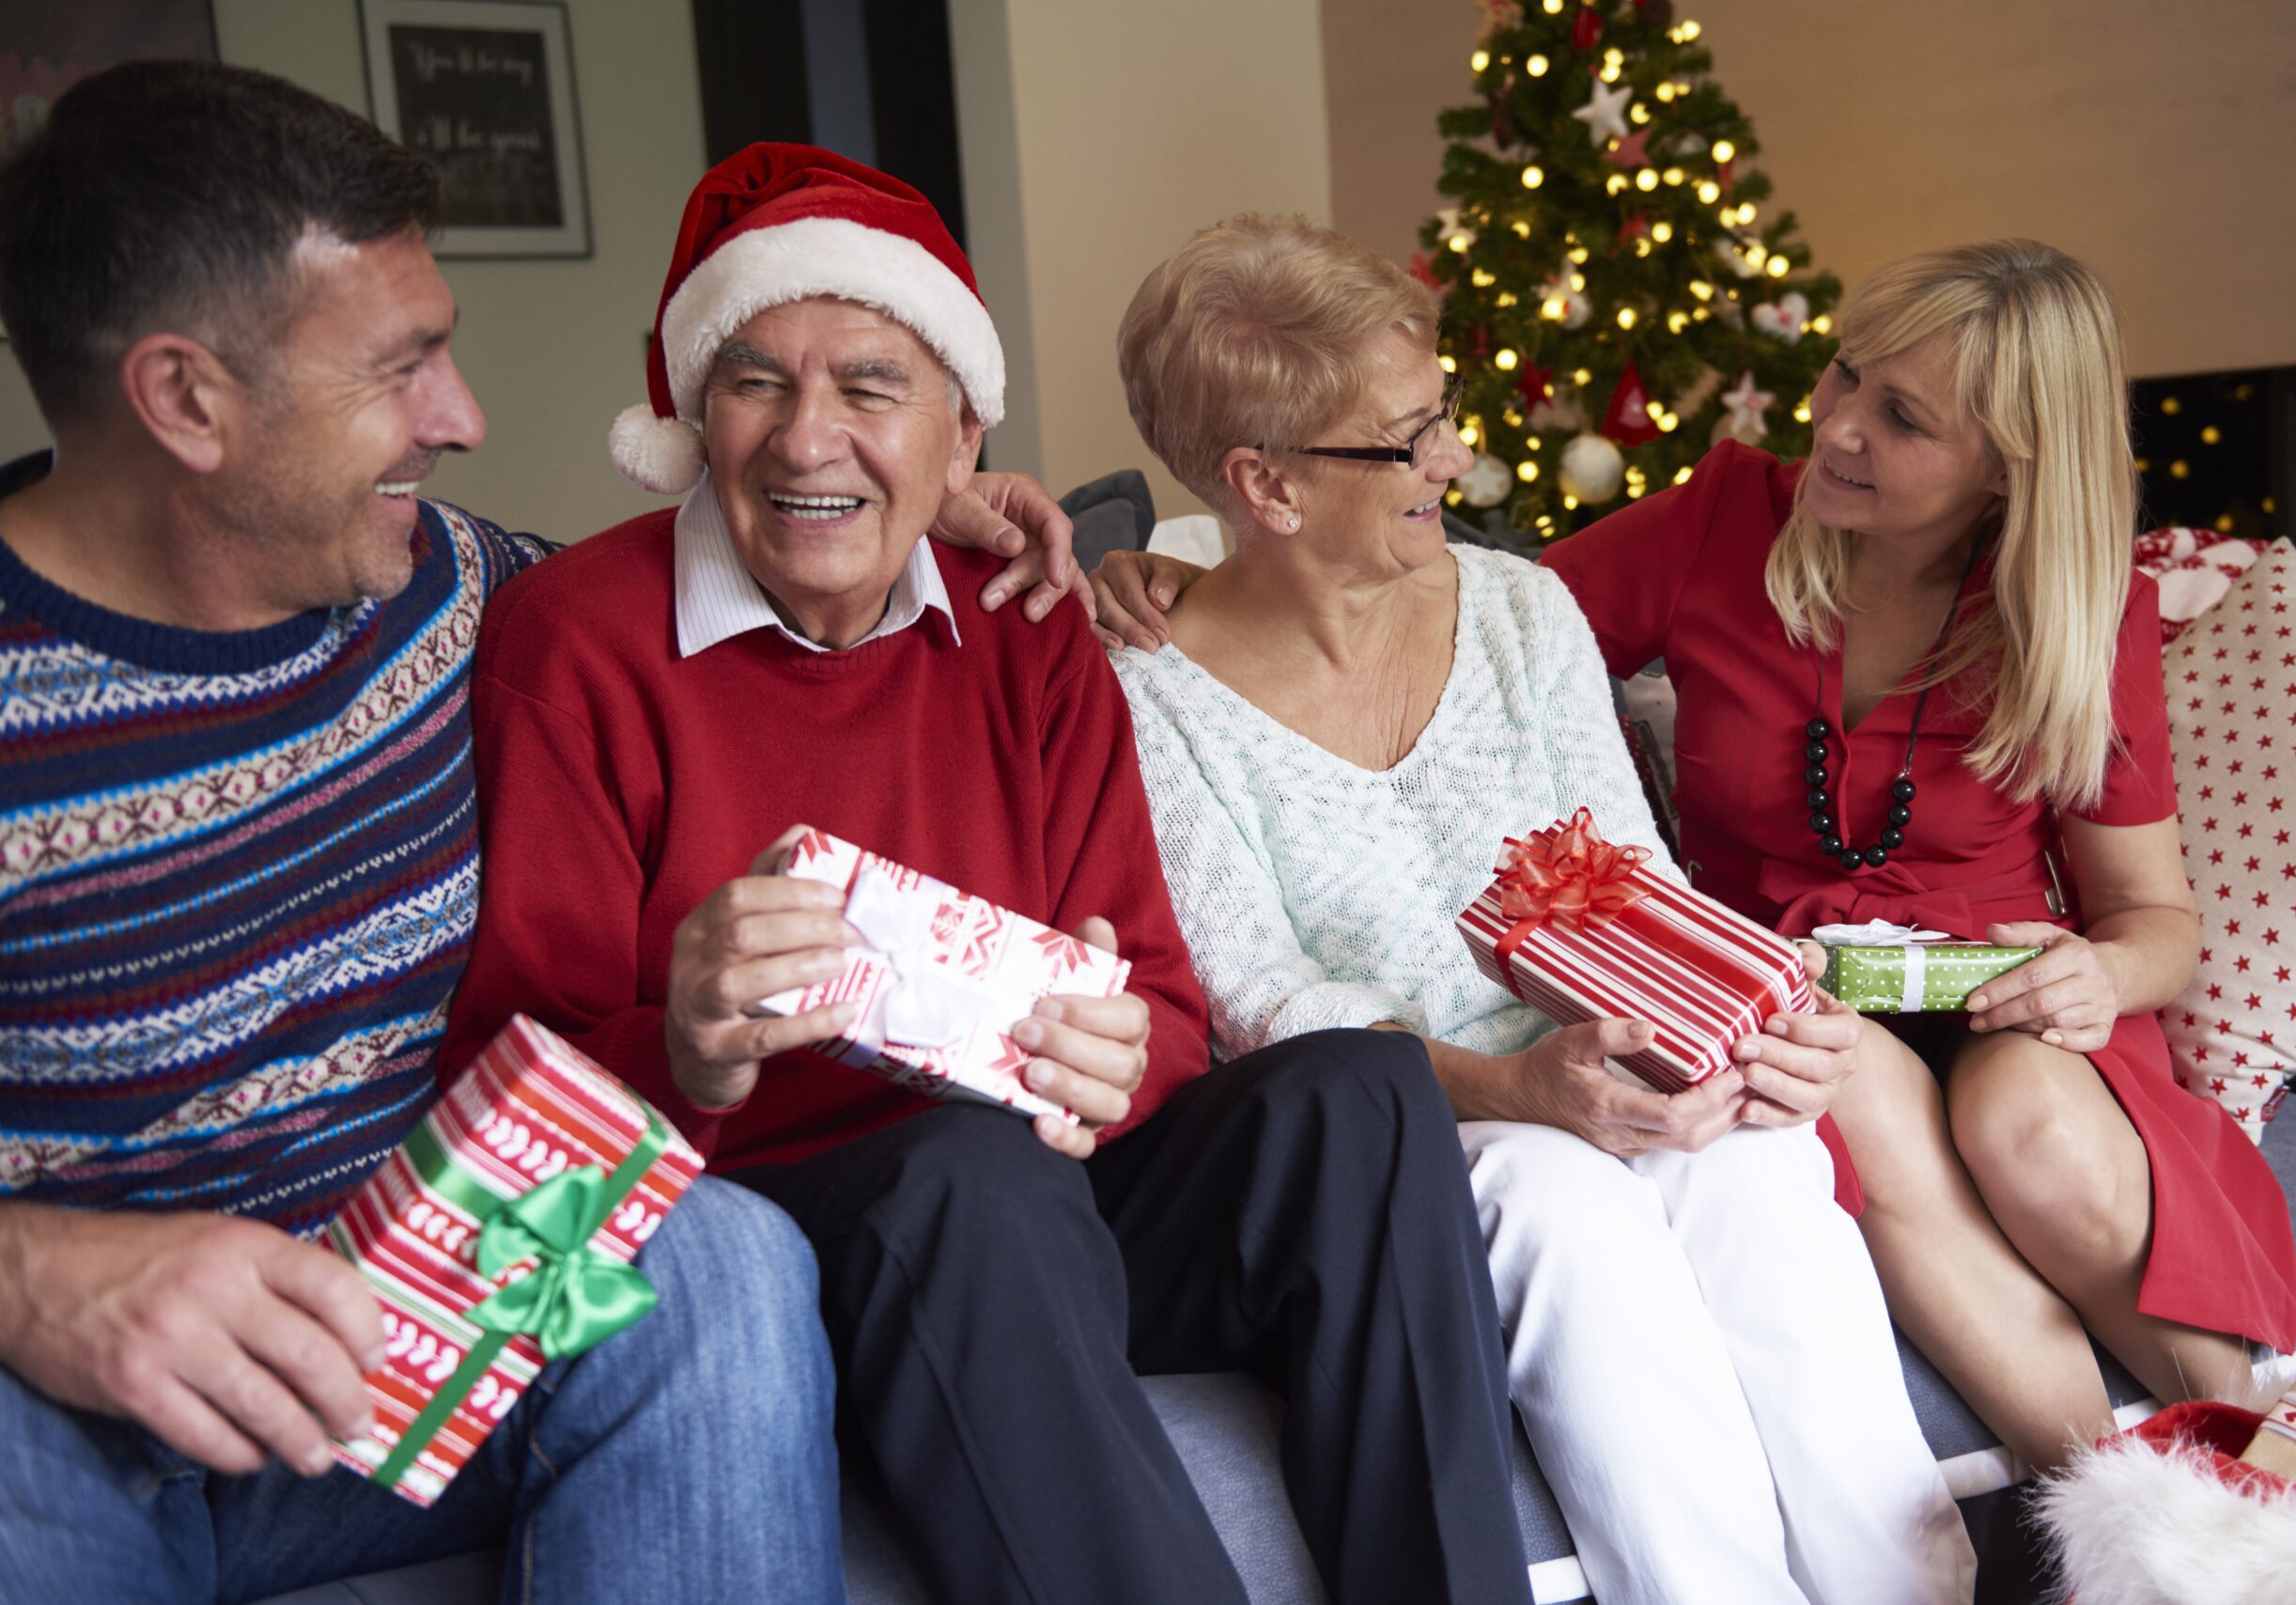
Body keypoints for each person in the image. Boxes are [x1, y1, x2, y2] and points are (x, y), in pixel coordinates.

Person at [441, 147, 1536, 1605]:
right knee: (967, 1175)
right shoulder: (574, 642)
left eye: (871, 388)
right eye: (756, 382)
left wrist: (1120, 1058)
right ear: (696, 417)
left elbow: (1161, 1006)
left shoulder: (1024, 623)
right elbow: (509, 1106)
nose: (806, 440)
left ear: (963, 439)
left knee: (1357, 1090)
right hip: (786, 1226)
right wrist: (689, 1048)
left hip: (1052, 1205)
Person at [1101, 238, 2296, 1477]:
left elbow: (2156, 920)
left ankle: (2293, 1468)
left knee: (2029, 1117)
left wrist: (2098, 978)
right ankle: (2121, 1520)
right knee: (1858, 1091)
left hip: (2005, 1001)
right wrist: (1195, 564)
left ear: (2010, 465)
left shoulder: (2080, 608)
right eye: (1844, 378)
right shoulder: (1722, 524)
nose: (1836, 427)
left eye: (1901, 419)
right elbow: (1406, 596)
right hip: (1778, 999)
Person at [0, 63, 864, 1603]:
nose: (462, 420)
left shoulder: (460, 595)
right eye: (401, 368)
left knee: (715, 1256)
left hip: (404, 1329)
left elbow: (743, 590)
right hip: (57, 1410)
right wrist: (35, 1276)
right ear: (184, 398)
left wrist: (940, 503)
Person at [1101, 212, 1973, 1605]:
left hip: (1612, 1058)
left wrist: (1744, 1019)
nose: (1453, 458)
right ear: (1263, 486)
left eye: (1440, 416)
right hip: (1424, 1125)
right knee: (1563, 1209)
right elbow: (1263, 998)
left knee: (1759, 1175)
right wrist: (1510, 1086)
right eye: (1405, 440)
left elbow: (1640, 888)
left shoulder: (1518, 610)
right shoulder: (1144, 690)